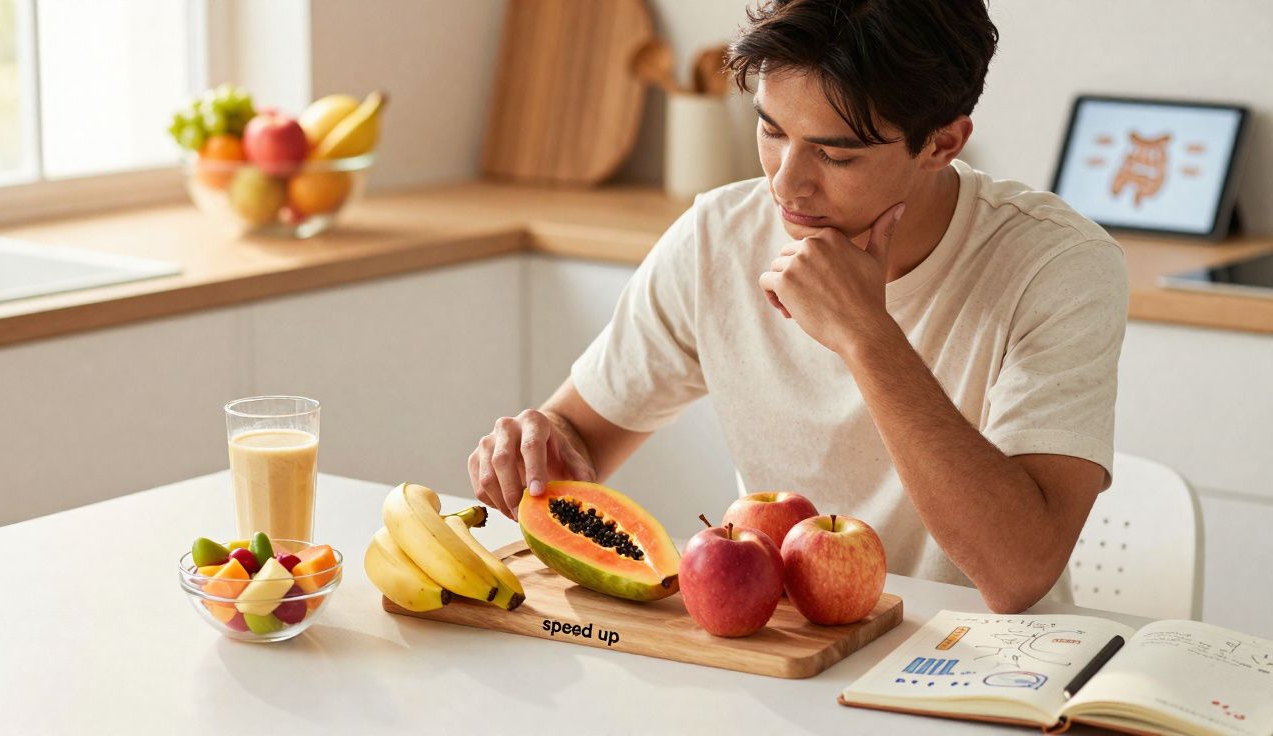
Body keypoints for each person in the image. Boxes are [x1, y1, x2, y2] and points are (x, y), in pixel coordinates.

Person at [467, 0, 1128, 614]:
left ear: (943, 144)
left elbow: (1018, 573)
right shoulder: (717, 238)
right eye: (771, 129)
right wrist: (532, 448)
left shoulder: (1056, 265)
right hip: (784, 663)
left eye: (837, 154)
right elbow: (577, 436)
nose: (785, 183)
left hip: (984, 670)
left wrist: (866, 335)